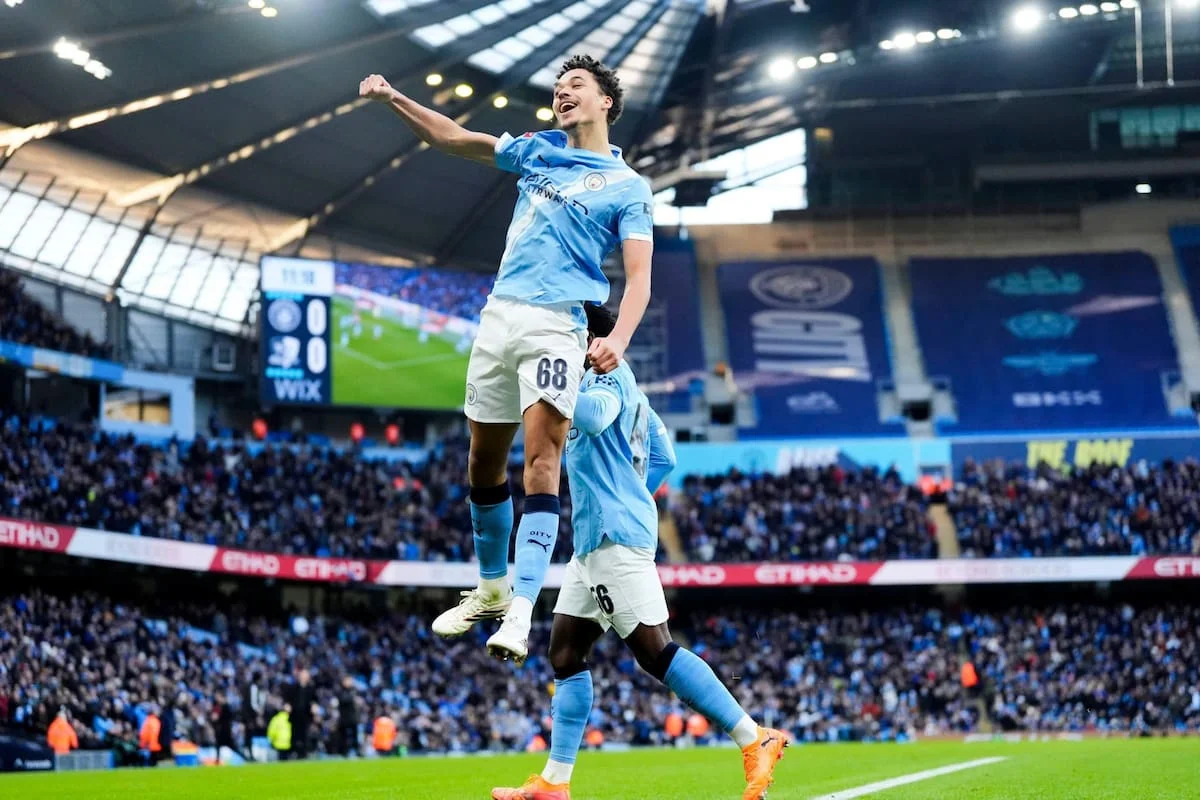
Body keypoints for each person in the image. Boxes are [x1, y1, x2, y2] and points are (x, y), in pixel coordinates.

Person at [359, 52, 655, 663]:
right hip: (499, 316)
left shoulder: (628, 187)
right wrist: (393, 99)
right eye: (558, 86)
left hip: (556, 325)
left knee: (542, 462)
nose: (562, 92)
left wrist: (618, 338)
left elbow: (640, 277)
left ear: (605, 102)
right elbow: (452, 138)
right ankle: (491, 589)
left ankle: (521, 612)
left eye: (576, 85)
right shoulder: (537, 150)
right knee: (482, 461)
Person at [491, 305, 790, 800]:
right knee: (565, 652)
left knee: (655, 652)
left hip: (613, 537)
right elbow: (665, 457)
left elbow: (594, 416)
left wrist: (548, 380)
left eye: (571, 335)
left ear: (592, 339)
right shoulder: (633, 392)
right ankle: (555, 781)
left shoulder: (608, 378)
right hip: (594, 543)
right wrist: (631, 494)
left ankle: (753, 736)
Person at [336, 675, 360, 757]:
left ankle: (357, 751)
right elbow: (343, 699)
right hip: (344, 717)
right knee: (344, 736)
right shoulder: (340, 691)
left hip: (353, 717)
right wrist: (352, 698)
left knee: (355, 735)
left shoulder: (353, 690)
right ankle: (344, 752)